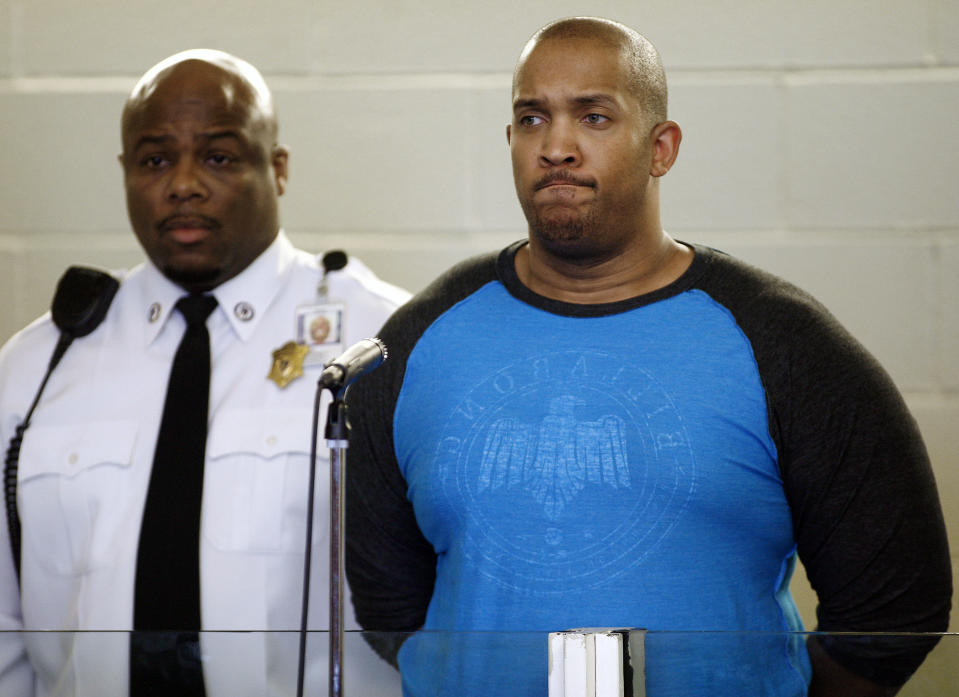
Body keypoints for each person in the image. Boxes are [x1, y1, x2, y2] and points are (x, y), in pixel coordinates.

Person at [344, 16, 952, 697]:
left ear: (660, 147)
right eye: (532, 118)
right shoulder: (417, 340)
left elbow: (894, 607)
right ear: (510, 139)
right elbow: (389, 606)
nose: (557, 146)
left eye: (594, 117)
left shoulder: (780, 340)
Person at [0, 49, 408, 696]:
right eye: (155, 159)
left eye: (218, 156)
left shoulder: (380, 343)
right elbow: (5, 626)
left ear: (277, 169)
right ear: (126, 171)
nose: (183, 183)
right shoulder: (37, 367)